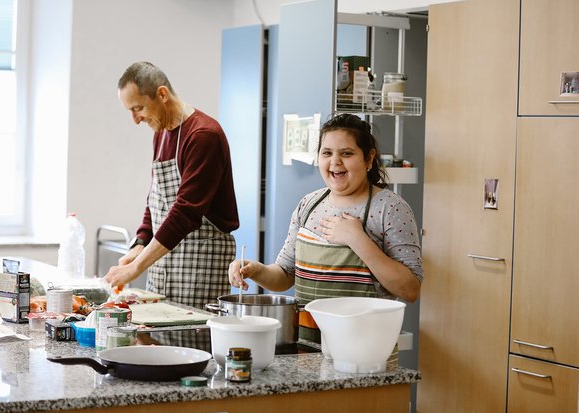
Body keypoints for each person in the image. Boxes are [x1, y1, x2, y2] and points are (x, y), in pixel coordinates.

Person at [228, 113, 422, 343]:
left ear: (369, 159)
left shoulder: (391, 208)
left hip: (366, 349)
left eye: (347, 153)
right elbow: (285, 275)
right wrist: (255, 270)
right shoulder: (308, 205)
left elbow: (410, 289)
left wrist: (357, 240)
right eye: (327, 153)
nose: (335, 161)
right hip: (308, 346)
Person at [105, 61, 239, 310]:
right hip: (162, 264)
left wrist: (137, 267)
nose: (135, 120)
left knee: (193, 343)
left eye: (138, 108)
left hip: (200, 265)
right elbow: (154, 198)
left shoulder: (203, 135)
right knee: (157, 341)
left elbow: (185, 212)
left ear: (162, 94)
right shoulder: (162, 132)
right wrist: (139, 244)